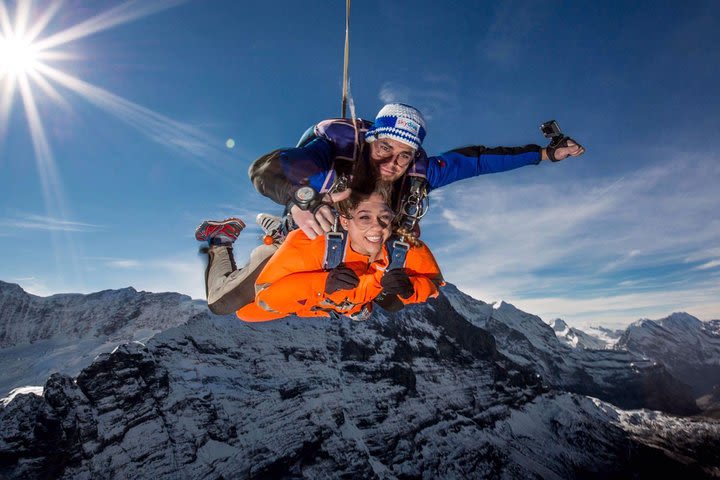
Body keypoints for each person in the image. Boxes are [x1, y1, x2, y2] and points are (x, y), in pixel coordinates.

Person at [197, 102, 584, 314]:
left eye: (405, 154)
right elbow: (267, 170)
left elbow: (478, 160)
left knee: (378, 302)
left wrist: (546, 154)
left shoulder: (417, 174)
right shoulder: (335, 153)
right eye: (385, 148)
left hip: (357, 252)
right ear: (370, 141)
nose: (393, 162)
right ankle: (220, 241)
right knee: (224, 304)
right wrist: (300, 197)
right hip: (305, 239)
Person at [235, 184, 444, 322]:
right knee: (239, 310)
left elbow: (434, 283)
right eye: (364, 218)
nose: (377, 227)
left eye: (385, 217)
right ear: (345, 220)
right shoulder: (311, 244)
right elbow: (266, 298)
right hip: (299, 257)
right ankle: (274, 231)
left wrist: (412, 289)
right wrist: (322, 283)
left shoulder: (406, 250)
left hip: (320, 303)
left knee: (392, 303)